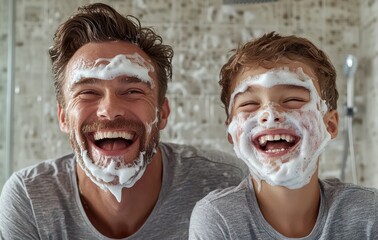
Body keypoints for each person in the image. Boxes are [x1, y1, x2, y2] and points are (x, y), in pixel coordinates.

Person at [0, 3, 246, 239]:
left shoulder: (225, 183)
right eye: (88, 92)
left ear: (162, 113)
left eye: (132, 91)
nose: (110, 110)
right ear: (63, 116)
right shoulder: (31, 199)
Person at [189, 32, 378, 239]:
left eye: (293, 99)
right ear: (232, 134)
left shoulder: (369, 212)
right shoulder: (218, 218)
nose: (270, 115)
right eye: (249, 104)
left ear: (330, 125)